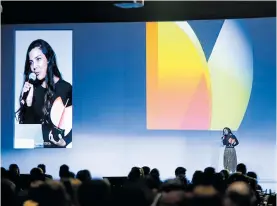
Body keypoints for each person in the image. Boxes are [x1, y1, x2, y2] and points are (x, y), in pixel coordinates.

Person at [15, 39, 72, 148]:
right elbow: (28, 130)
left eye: (38, 59)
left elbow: (82, 120)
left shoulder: (66, 88)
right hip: (34, 151)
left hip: (57, 153)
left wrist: (66, 140)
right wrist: (28, 104)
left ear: (49, 59)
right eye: (31, 62)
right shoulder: (32, 89)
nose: (34, 67)